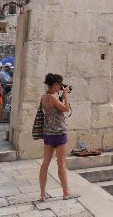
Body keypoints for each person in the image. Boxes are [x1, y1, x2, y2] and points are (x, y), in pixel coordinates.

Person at [39, 73, 77, 201]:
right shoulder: (53, 98)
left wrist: (61, 96)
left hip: (48, 133)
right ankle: (66, 193)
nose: (60, 86)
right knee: (61, 164)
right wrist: (65, 95)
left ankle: (42, 194)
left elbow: (54, 111)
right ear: (54, 84)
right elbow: (66, 109)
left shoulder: (44, 97)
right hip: (59, 133)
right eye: (59, 84)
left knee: (45, 163)